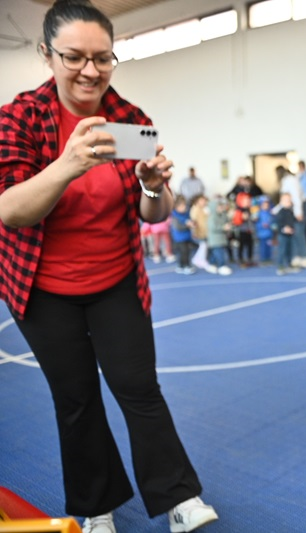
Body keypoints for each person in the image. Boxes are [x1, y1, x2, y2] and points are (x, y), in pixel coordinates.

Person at [0, 2, 218, 531]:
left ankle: (178, 498)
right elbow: (10, 210)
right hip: (42, 289)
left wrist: (152, 186)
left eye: (103, 58)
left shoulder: (131, 120)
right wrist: (69, 164)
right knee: (75, 400)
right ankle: (95, 507)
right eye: (74, 57)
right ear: (46, 54)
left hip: (116, 279)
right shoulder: (19, 118)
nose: (90, 71)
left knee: (140, 389)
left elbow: (153, 214)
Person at [276, 165, 306, 269]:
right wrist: (275, 210)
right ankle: (296, 257)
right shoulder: (286, 181)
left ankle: (304, 257)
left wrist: (298, 213)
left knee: (299, 233)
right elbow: (284, 200)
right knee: (293, 234)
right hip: (292, 208)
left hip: (298, 208)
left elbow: (296, 197)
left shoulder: (290, 180)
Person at [273, 191, 299, 276]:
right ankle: (280, 266)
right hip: (282, 235)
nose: (288, 202)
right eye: (285, 201)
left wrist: (292, 229)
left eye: (289, 200)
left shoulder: (290, 211)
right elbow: (279, 223)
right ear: (281, 202)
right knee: (282, 250)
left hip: (290, 235)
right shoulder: (280, 212)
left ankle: (289, 264)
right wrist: (284, 229)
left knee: (290, 250)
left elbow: (292, 221)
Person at [205, 196, 232, 276]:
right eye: (219, 207)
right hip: (215, 240)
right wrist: (223, 227)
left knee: (215, 253)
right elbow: (213, 227)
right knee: (219, 253)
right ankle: (221, 265)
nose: (221, 208)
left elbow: (226, 220)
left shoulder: (222, 215)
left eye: (221, 206)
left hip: (220, 239)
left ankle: (211, 264)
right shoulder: (212, 217)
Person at [171, 195, 196, 275]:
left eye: (184, 206)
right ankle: (185, 266)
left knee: (187, 252)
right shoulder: (175, 216)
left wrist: (192, 223)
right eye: (181, 206)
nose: (184, 208)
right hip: (179, 238)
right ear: (176, 207)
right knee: (183, 252)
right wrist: (187, 225)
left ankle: (182, 265)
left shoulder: (186, 214)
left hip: (187, 237)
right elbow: (178, 227)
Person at [189, 195, 211, 272]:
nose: (204, 202)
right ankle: (200, 259)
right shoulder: (195, 209)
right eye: (202, 201)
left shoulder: (205, 209)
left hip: (205, 231)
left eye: (205, 201)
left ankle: (198, 258)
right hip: (198, 231)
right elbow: (193, 221)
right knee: (203, 245)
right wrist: (194, 231)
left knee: (205, 245)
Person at [254, 195, 274, 265]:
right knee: (263, 247)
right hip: (262, 234)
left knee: (269, 246)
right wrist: (261, 226)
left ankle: (268, 258)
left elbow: (272, 222)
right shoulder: (259, 214)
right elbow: (257, 223)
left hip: (269, 233)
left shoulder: (270, 213)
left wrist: (271, 226)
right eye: (264, 204)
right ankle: (263, 258)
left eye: (267, 204)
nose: (265, 206)